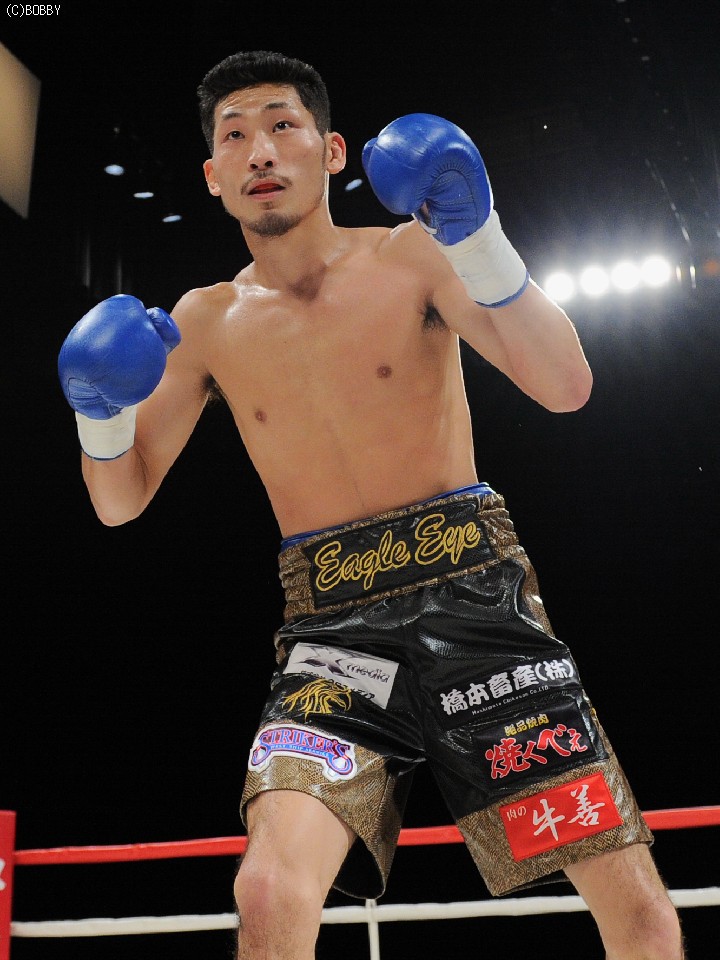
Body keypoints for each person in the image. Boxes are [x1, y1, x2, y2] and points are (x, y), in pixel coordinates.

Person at [57, 49, 685, 960]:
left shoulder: (412, 256)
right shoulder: (202, 321)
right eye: (234, 136)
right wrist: (100, 416)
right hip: (332, 631)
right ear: (213, 175)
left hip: (478, 604)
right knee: (267, 888)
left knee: (638, 911)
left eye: (283, 125)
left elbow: (565, 384)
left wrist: (478, 235)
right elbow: (118, 503)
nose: (260, 150)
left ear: (332, 150)